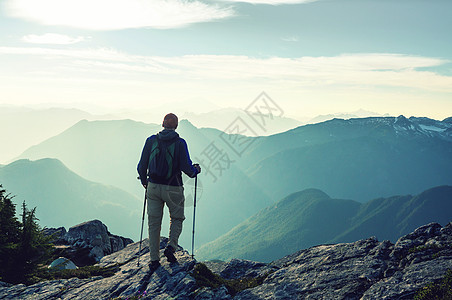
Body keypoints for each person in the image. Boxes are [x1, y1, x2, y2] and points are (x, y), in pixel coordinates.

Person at [137, 113, 200, 272]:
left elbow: (141, 166)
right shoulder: (180, 143)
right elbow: (187, 168)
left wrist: (145, 182)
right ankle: (171, 247)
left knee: (154, 223)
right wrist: (195, 171)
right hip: (174, 188)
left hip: (153, 187)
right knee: (177, 217)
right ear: (176, 126)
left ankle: (154, 260)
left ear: (163, 124)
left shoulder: (151, 140)